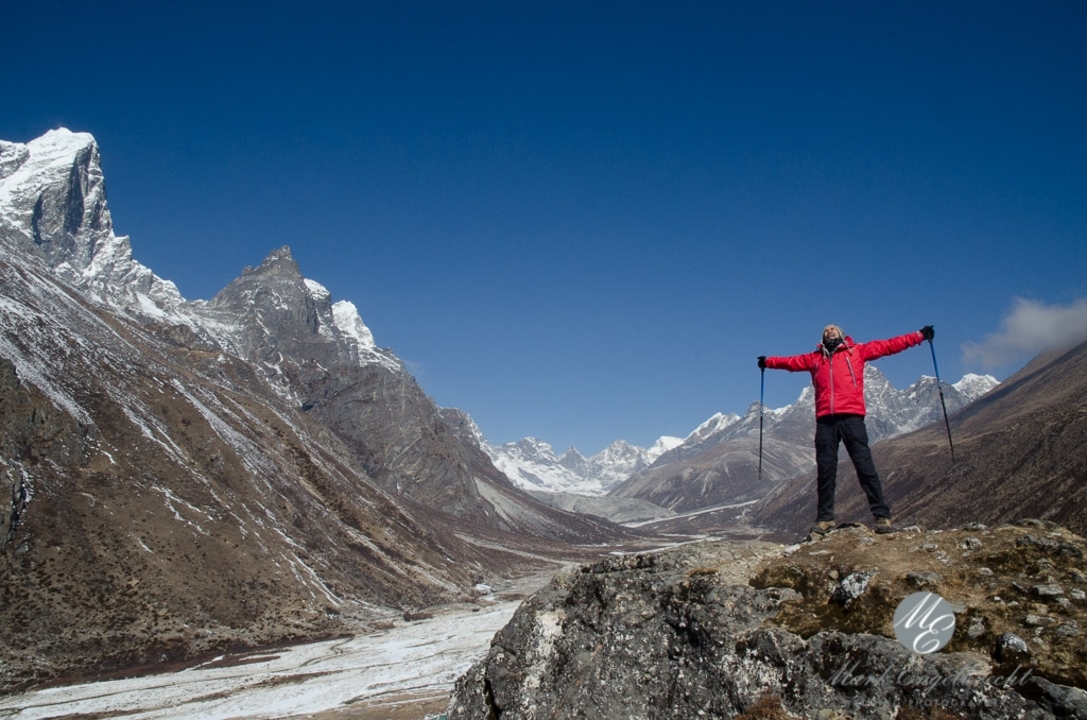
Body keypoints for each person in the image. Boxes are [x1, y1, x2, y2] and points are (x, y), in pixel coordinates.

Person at [758, 324, 934, 536]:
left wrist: (919, 336)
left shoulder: (857, 351)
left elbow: (889, 346)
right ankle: (825, 519)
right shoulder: (815, 358)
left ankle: (882, 517)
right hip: (825, 421)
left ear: (842, 334)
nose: (829, 331)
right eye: (825, 330)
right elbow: (790, 362)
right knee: (825, 471)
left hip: (852, 417)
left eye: (833, 329)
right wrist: (768, 362)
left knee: (865, 467)